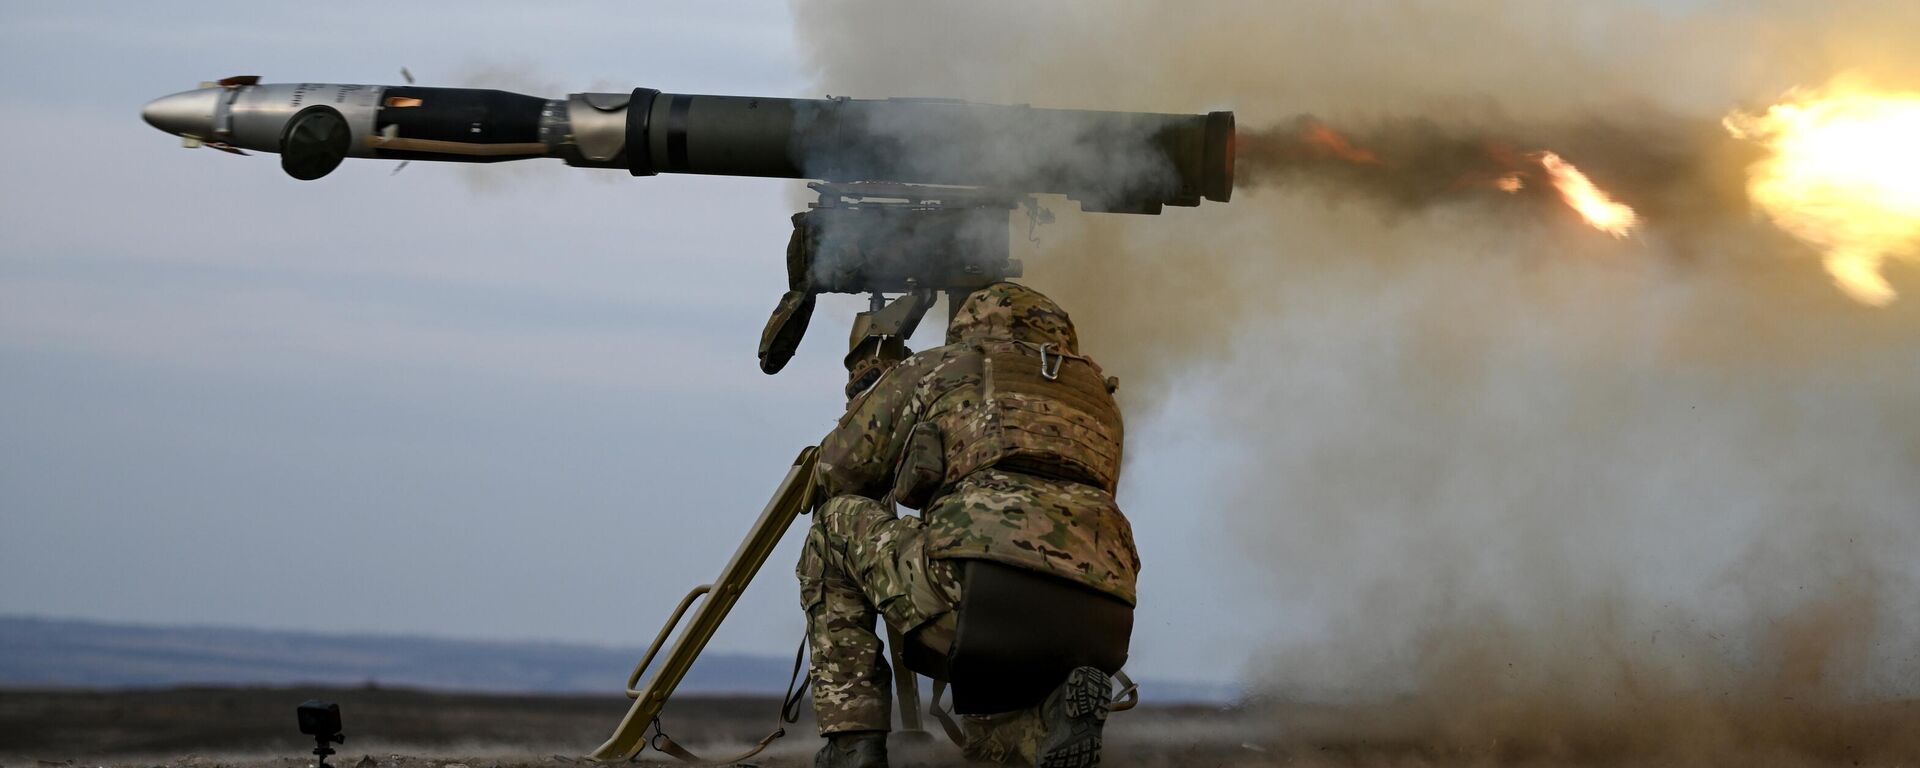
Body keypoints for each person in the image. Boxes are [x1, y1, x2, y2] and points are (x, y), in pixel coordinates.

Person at [798, 281, 1138, 768]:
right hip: (1097, 620)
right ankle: (1048, 718)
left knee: (834, 523)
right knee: (991, 731)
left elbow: (835, 470)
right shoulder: (1102, 401)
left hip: (979, 593)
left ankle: (852, 742)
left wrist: (870, 393)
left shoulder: (945, 366)